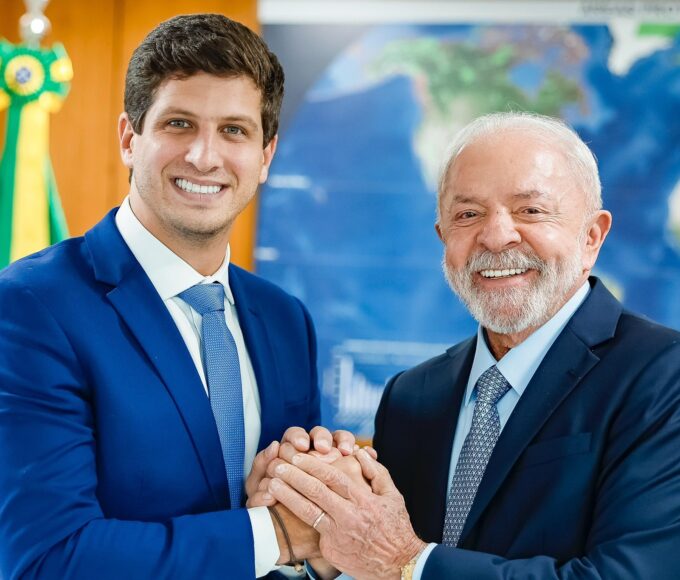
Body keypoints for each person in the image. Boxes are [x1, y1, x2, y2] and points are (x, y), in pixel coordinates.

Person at [0, 14, 353, 579]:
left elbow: (300, 535)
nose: (204, 156)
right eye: (179, 124)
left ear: (265, 156)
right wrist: (280, 535)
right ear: (129, 139)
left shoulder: (285, 319)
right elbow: (47, 560)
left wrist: (319, 547)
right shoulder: (30, 306)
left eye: (234, 130)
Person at [259, 112, 680, 579]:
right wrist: (322, 540)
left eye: (530, 210)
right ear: (444, 238)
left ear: (591, 237)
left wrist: (408, 563)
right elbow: (375, 559)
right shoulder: (411, 396)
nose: (496, 236)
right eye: (468, 215)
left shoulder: (664, 376)